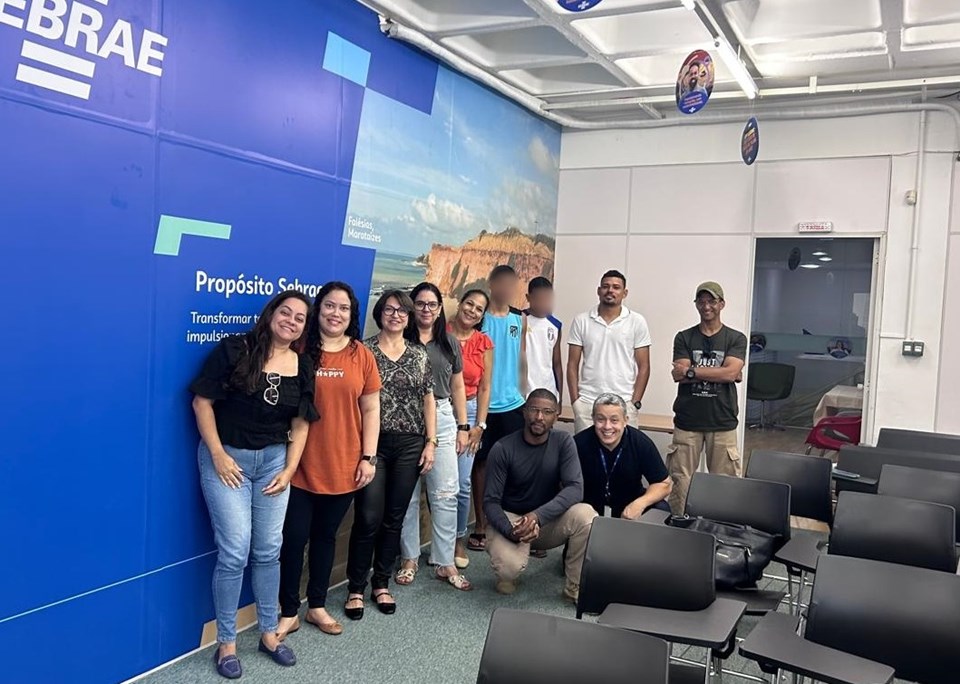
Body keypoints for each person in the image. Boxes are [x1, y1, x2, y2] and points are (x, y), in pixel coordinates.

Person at [190, 291, 318, 678]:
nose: (291, 320)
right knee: (234, 551)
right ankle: (226, 643)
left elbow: (301, 423)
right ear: (271, 313)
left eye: (299, 318)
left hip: (274, 465)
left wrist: (290, 469)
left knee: (267, 550)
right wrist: (217, 454)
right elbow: (201, 402)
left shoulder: (303, 364)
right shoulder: (236, 349)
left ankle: (268, 633)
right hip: (228, 461)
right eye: (285, 312)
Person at [277, 282, 380, 639]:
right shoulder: (299, 349)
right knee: (293, 539)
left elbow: (371, 409)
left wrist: (368, 457)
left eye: (344, 308)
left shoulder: (360, 354)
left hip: (343, 464)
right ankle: (288, 611)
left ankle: (316, 606)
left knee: (325, 537)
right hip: (298, 464)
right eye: (329, 306)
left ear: (352, 315)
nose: (336, 313)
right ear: (318, 310)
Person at [348, 290, 437, 615]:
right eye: (389, 309)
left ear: (409, 316)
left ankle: (381, 583)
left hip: (410, 443)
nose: (396, 315)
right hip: (373, 445)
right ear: (379, 314)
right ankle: (355, 587)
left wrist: (431, 442)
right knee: (368, 517)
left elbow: (428, 398)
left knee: (394, 517)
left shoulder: (418, 353)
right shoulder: (363, 350)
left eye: (402, 310)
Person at [483, 389, 597, 602]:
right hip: (512, 520)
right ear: (524, 412)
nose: (539, 417)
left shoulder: (563, 441)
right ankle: (508, 567)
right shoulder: (503, 448)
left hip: (546, 521)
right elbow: (490, 502)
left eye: (547, 412)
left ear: (556, 416)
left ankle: (574, 587)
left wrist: (537, 516)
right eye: (534, 410)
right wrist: (511, 531)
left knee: (586, 516)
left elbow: (575, 488)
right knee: (508, 571)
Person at [396, 282, 472, 591]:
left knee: (446, 493)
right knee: (407, 495)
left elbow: (457, 386)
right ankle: (409, 558)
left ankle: (444, 560)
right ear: (412, 307)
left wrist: (463, 426)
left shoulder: (449, 342)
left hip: (442, 416)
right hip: (405, 417)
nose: (426, 309)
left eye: (432, 304)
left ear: (440, 309)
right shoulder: (400, 339)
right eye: (420, 303)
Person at [668, 281, 748, 513]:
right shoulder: (684, 337)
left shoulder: (736, 338)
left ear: (721, 304)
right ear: (696, 304)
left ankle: (721, 526)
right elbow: (678, 374)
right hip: (687, 421)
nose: (706, 306)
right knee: (681, 481)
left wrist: (691, 371)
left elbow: (731, 373)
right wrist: (723, 373)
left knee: (724, 484)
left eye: (711, 301)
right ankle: (679, 525)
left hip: (722, 421)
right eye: (701, 301)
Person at [469, 265, 526, 553]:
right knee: (480, 465)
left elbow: (522, 357)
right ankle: (481, 525)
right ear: (491, 284)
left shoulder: (520, 318)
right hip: (483, 406)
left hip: (514, 404)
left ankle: (517, 525)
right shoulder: (479, 319)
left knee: (516, 466)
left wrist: (524, 393)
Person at [567, 270, 652, 433]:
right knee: (585, 449)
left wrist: (634, 403)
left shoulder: (636, 321)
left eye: (616, 287)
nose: (610, 290)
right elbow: (572, 364)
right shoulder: (581, 320)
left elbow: (644, 366)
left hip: (623, 403)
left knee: (624, 449)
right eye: (606, 286)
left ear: (624, 293)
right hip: (587, 403)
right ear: (599, 291)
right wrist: (575, 402)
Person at [448, 289, 493, 568]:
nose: (472, 311)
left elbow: (486, 387)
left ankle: (458, 539)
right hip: (441, 410)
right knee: (439, 482)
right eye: (469, 304)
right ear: (460, 303)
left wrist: (480, 425)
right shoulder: (440, 334)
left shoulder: (483, 343)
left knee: (463, 483)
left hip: (472, 410)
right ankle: (440, 539)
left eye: (479, 309)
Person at [574, 393, 672, 520]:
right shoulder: (578, 444)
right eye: (601, 419)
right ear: (593, 419)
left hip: (630, 503)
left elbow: (664, 484)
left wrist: (640, 504)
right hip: (588, 506)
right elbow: (564, 485)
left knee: (661, 509)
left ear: (625, 420)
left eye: (614, 420)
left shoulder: (640, 442)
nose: (607, 426)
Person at [523, 276, 563, 403]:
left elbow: (557, 363)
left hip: (547, 389)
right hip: (523, 391)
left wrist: (560, 397)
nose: (543, 303)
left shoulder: (555, 325)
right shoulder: (519, 319)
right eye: (538, 298)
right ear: (528, 298)